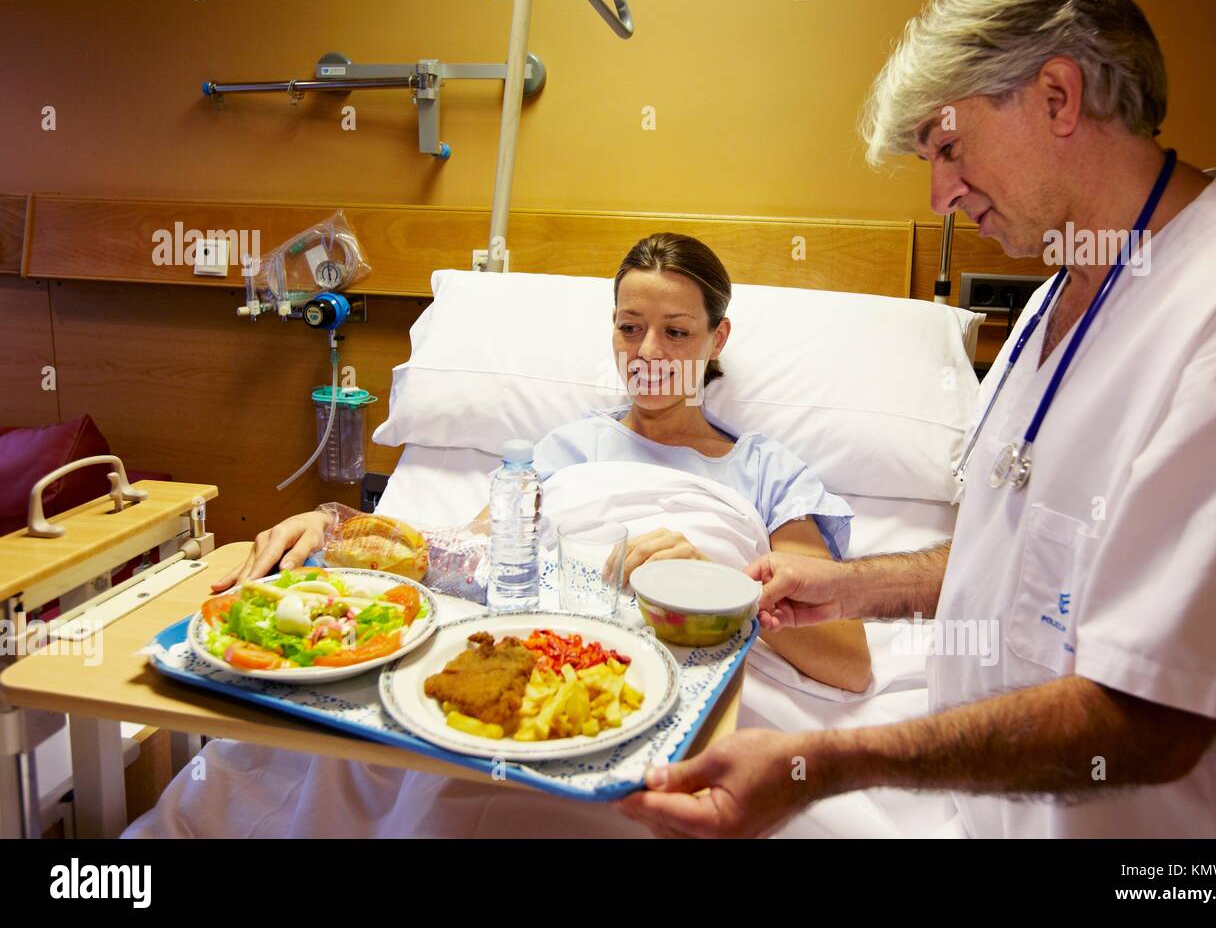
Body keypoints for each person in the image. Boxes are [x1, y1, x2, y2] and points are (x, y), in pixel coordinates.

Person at [615, 0, 1216, 839]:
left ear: (1058, 97)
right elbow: (1020, 551)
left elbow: (1152, 721)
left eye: (947, 147)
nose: (940, 194)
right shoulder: (1055, 300)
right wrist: (852, 587)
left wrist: (826, 763)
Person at [124, 233, 870, 838]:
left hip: (678, 679)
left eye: (675, 332)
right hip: (532, 655)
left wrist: (717, 587)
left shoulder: (768, 469)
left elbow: (848, 658)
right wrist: (335, 526)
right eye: (628, 328)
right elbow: (456, 556)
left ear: (717, 338)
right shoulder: (564, 450)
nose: (646, 355)